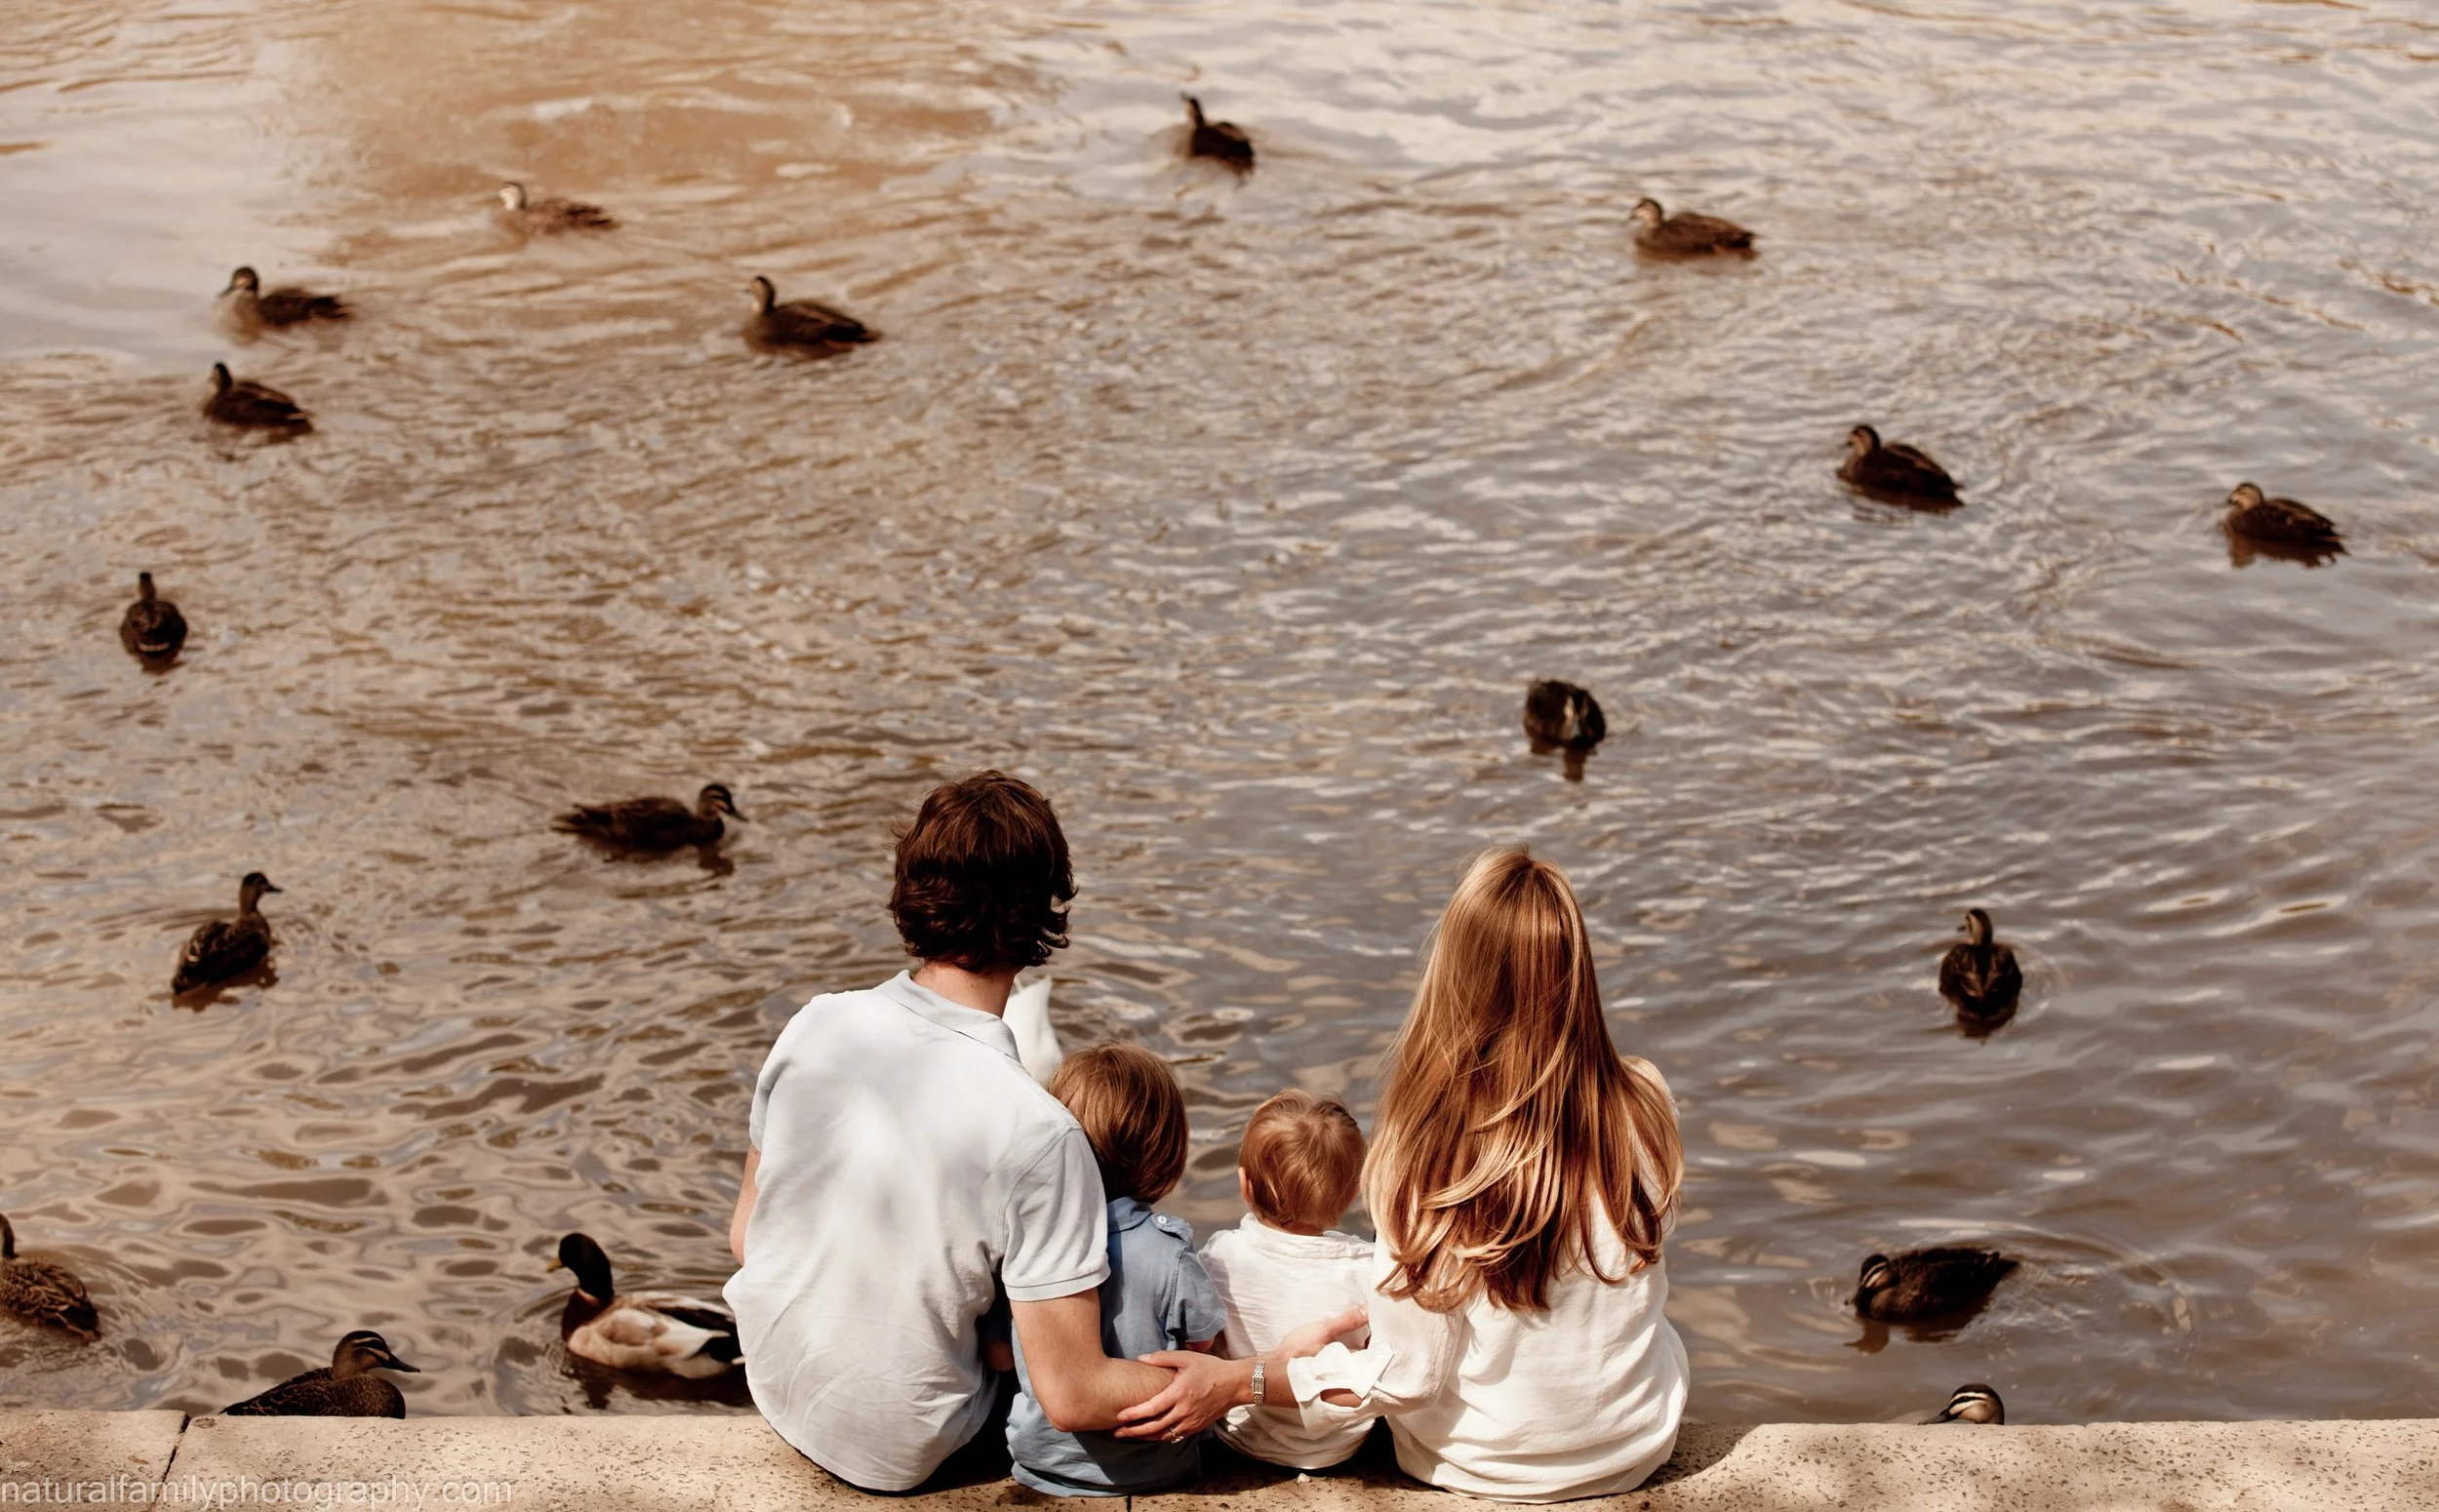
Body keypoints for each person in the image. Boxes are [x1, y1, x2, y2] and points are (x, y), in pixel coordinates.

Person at [726, 772, 1353, 1492]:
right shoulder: (1038, 1131)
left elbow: (749, 1236)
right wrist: (1246, 1378)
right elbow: (1073, 1394)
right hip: (895, 1444)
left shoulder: (815, 1024)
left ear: (912, 887)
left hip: (774, 1383)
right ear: (1043, 913)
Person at [1129, 849, 1688, 1500]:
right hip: (1632, 1443)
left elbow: (1407, 1378)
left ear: (1456, 976)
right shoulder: (1647, 1101)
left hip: (1480, 1466)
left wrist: (1236, 1381)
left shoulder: (1422, 1151)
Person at [1002, 1044, 1226, 1495]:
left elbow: (999, 1356)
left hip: (1040, 1466)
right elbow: (1203, 1348)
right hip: (1157, 1471)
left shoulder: (1026, 1244)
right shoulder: (1171, 1252)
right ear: (1167, 1151)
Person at [1198, 1090, 1379, 1471]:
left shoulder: (1219, 1258)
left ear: (1245, 1185)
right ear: (1353, 1192)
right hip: (1343, 1447)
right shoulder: (1369, 1268)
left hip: (1242, 1440)